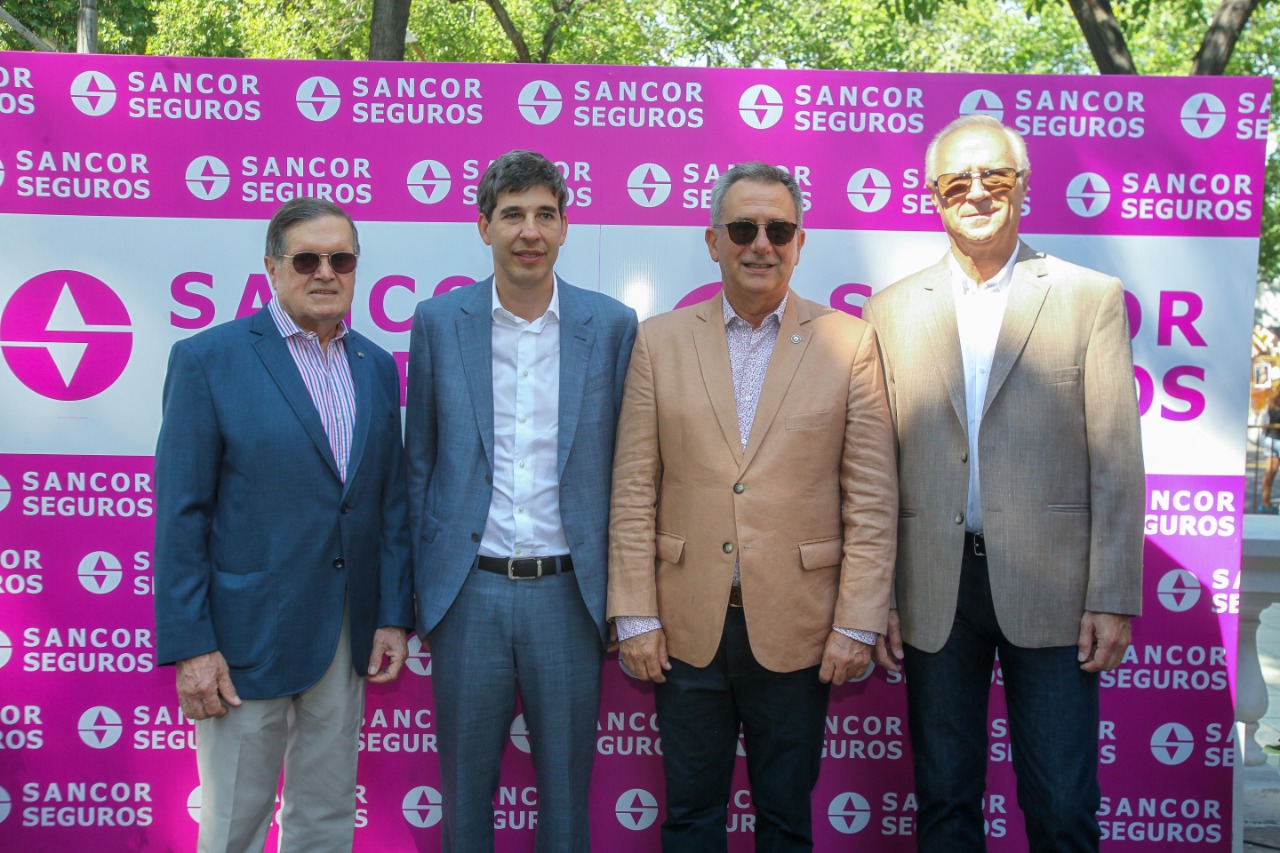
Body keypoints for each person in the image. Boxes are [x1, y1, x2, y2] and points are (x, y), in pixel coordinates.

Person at [862, 114, 1145, 852]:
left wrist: (1112, 594)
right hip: (933, 588)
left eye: (995, 175)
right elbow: (877, 466)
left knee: (1060, 806)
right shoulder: (889, 310)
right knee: (945, 804)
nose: (977, 191)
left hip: (1054, 589)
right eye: (957, 180)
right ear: (933, 195)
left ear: (1024, 185)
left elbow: (1116, 457)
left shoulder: (1090, 297)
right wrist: (880, 594)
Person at [608, 161, 898, 852]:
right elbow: (632, 487)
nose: (760, 243)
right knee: (689, 819)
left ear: (800, 242)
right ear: (713, 241)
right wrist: (636, 614)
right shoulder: (658, 340)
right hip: (683, 629)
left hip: (799, 627)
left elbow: (873, 497)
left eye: (778, 228)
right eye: (743, 227)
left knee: (786, 823)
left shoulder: (850, 343)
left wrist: (858, 623)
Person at [153, 197, 414, 852]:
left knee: (324, 821)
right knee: (234, 825)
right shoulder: (208, 359)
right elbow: (182, 512)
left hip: (344, 635)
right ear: (272, 267)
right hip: (243, 639)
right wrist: (193, 645)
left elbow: (386, 503)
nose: (325, 272)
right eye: (306, 258)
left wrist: (390, 615)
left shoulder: (377, 367)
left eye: (342, 259)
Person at [405, 149, 637, 853]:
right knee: (465, 799)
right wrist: (424, 585)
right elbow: (421, 461)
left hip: (570, 596)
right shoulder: (439, 322)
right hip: (468, 592)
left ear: (566, 227)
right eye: (512, 215)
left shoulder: (613, 326)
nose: (529, 230)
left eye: (545, 214)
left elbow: (631, 470)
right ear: (484, 227)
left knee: (567, 800)